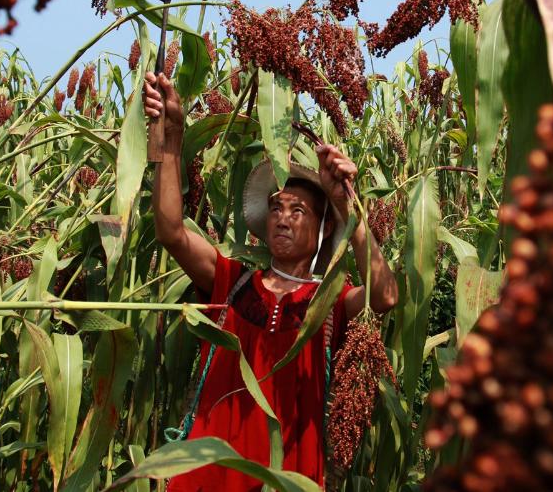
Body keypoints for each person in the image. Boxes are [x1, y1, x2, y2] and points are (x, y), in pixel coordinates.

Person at [143, 71, 399, 491]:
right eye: (277, 207)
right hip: (209, 477)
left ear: (320, 231)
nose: (283, 215)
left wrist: (346, 203)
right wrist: (171, 139)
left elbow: (386, 295)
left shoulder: (328, 304)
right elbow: (171, 230)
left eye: (298, 210)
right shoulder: (234, 282)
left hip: (287, 478)